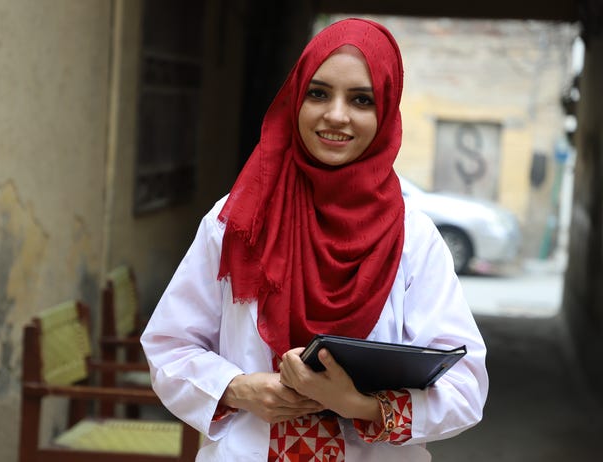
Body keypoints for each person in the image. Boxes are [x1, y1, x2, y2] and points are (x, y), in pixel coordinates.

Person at [141, 17, 488, 462]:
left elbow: (466, 386)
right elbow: (169, 346)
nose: (336, 115)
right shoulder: (237, 220)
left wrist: (360, 407)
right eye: (318, 93)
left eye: (361, 99)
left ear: (385, 113)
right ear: (295, 99)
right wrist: (238, 388)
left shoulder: (412, 239)